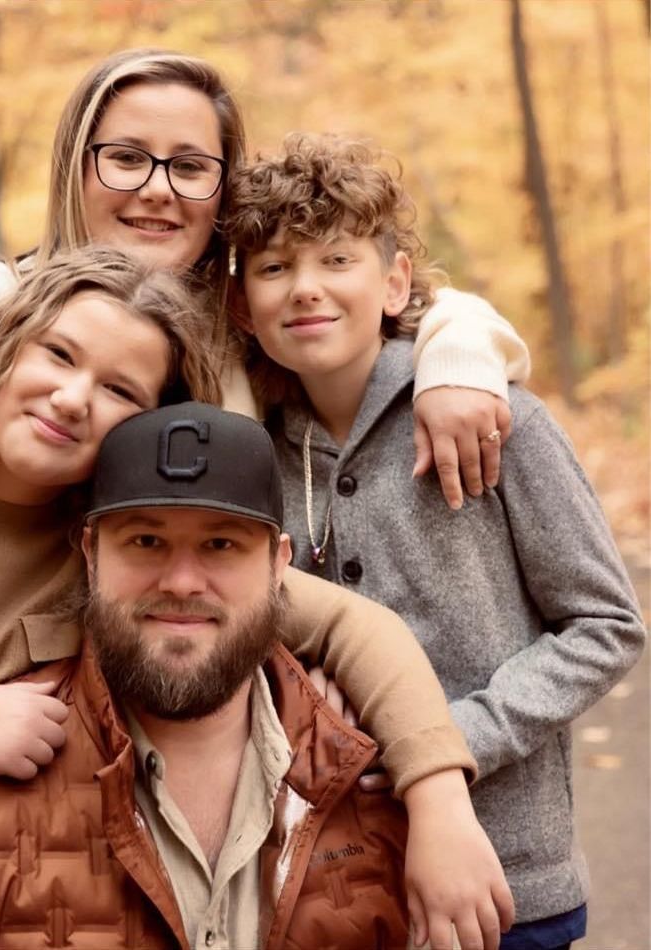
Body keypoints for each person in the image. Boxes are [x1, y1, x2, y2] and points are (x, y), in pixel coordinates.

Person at [0, 247, 500, 948]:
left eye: (120, 390)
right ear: (2, 347)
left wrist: (439, 803)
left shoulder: (116, 545)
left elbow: (359, 630)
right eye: (58, 355)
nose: (75, 398)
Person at [0, 48, 530, 639]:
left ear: (220, 192)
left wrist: (457, 356)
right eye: (125, 158)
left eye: (190, 167)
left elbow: (406, 308)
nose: (157, 192)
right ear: (74, 168)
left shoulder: (246, 330)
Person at [0, 402, 512, 950]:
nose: (182, 581)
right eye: (145, 541)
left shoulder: (382, 790)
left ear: (279, 564)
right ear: (90, 555)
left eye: (221, 544)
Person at [222, 134, 647, 950]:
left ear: (394, 284)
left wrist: (455, 739)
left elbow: (606, 627)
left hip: (503, 878)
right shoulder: (256, 450)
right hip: (324, 885)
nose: (305, 288)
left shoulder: (497, 419)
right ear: (245, 308)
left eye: (335, 260)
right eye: (274, 269)